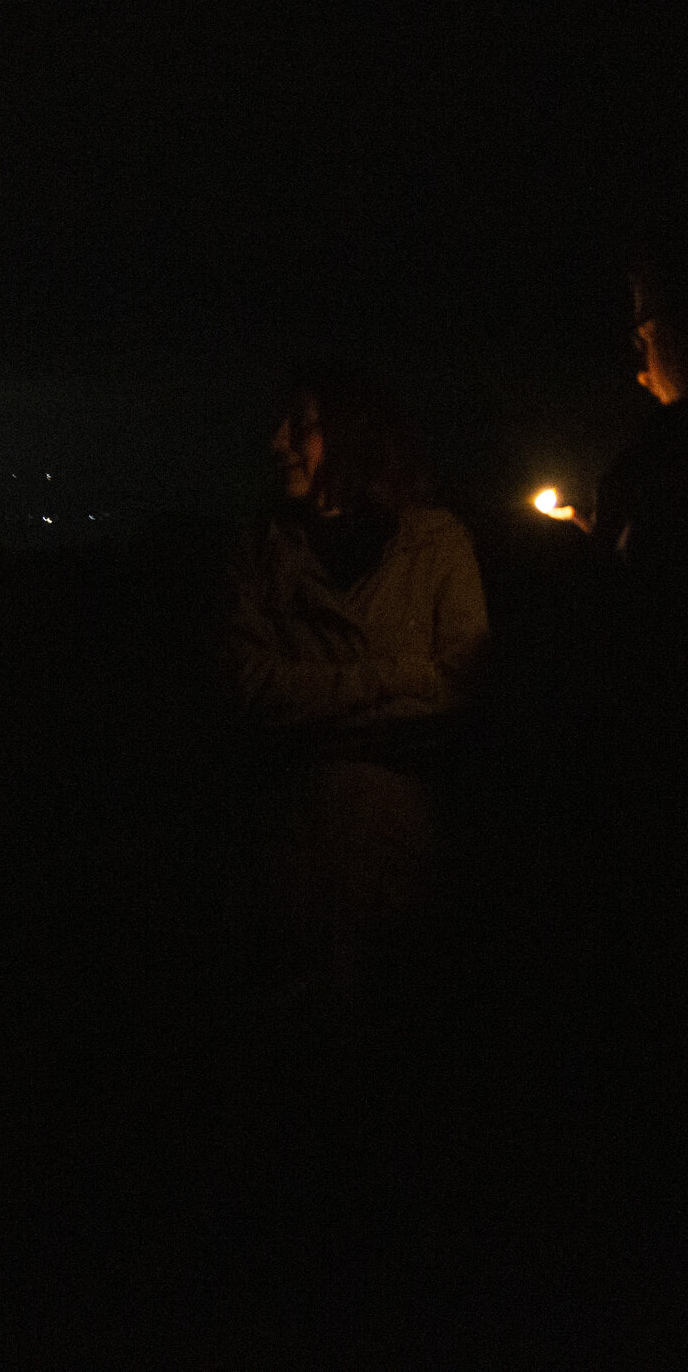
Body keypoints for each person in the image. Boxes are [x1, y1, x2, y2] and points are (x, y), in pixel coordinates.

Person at [225, 366, 489, 999]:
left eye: (303, 426)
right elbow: (249, 690)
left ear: (353, 435)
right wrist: (399, 679)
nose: (278, 443)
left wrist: (312, 713)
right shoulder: (262, 551)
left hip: (406, 864)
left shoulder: (438, 544)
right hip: (294, 867)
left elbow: (463, 692)